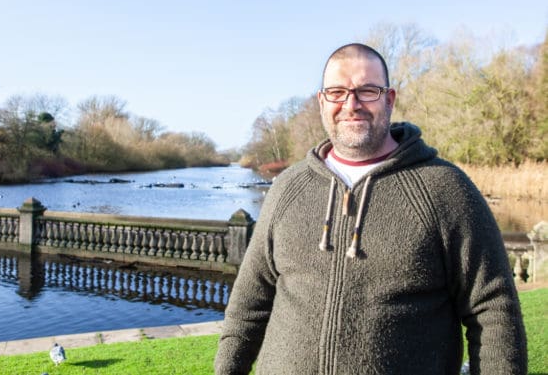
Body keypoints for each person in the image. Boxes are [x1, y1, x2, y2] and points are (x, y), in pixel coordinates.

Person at [214, 43, 527, 374]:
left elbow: (494, 312)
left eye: (367, 90)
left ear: (389, 99)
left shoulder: (445, 188)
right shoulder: (288, 187)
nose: (351, 104)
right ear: (322, 101)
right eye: (337, 92)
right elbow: (248, 304)